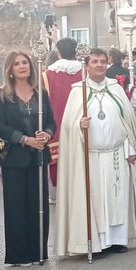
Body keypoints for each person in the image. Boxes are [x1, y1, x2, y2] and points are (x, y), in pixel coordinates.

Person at [55, 48, 136, 257]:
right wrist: (79, 124)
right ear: (87, 66)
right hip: (91, 155)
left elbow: (128, 121)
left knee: (117, 196)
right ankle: (96, 242)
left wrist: (130, 148)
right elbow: (68, 125)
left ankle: (117, 240)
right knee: (94, 198)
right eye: (94, 61)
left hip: (116, 153)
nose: (99, 65)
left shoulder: (116, 88)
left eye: (103, 61)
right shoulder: (78, 90)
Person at [0, 51, 55, 266]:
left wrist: (46, 134)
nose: (22, 66)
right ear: (10, 69)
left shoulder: (41, 93)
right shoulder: (0, 95)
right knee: (16, 205)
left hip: (38, 157)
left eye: (25, 62)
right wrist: (24, 139)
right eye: (17, 63)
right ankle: (18, 255)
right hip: (14, 157)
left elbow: (51, 122)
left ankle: (38, 252)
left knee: (39, 205)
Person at [46, 38, 85, 188]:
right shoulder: (85, 71)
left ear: (58, 52)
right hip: (81, 120)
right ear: (76, 51)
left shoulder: (48, 73)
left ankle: (59, 190)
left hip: (57, 122)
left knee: (59, 158)